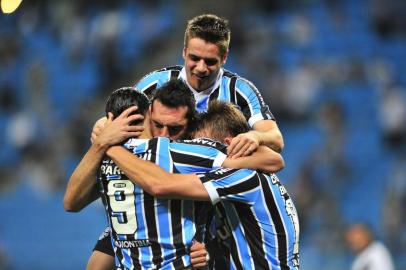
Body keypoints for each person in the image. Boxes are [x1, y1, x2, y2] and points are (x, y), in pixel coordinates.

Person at [64, 82, 284, 269]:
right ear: (148, 116)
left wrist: (255, 137)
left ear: (190, 127)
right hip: (140, 232)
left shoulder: (187, 151)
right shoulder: (154, 154)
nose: (163, 135)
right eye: (158, 125)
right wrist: (103, 144)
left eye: (174, 129)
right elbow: (71, 202)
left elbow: (271, 160)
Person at [134, 13, 284, 157]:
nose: (201, 68)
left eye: (210, 61)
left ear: (224, 58)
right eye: (194, 58)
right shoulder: (154, 83)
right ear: (184, 52)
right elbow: (115, 121)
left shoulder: (239, 91)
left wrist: (256, 136)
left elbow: (276, 139)